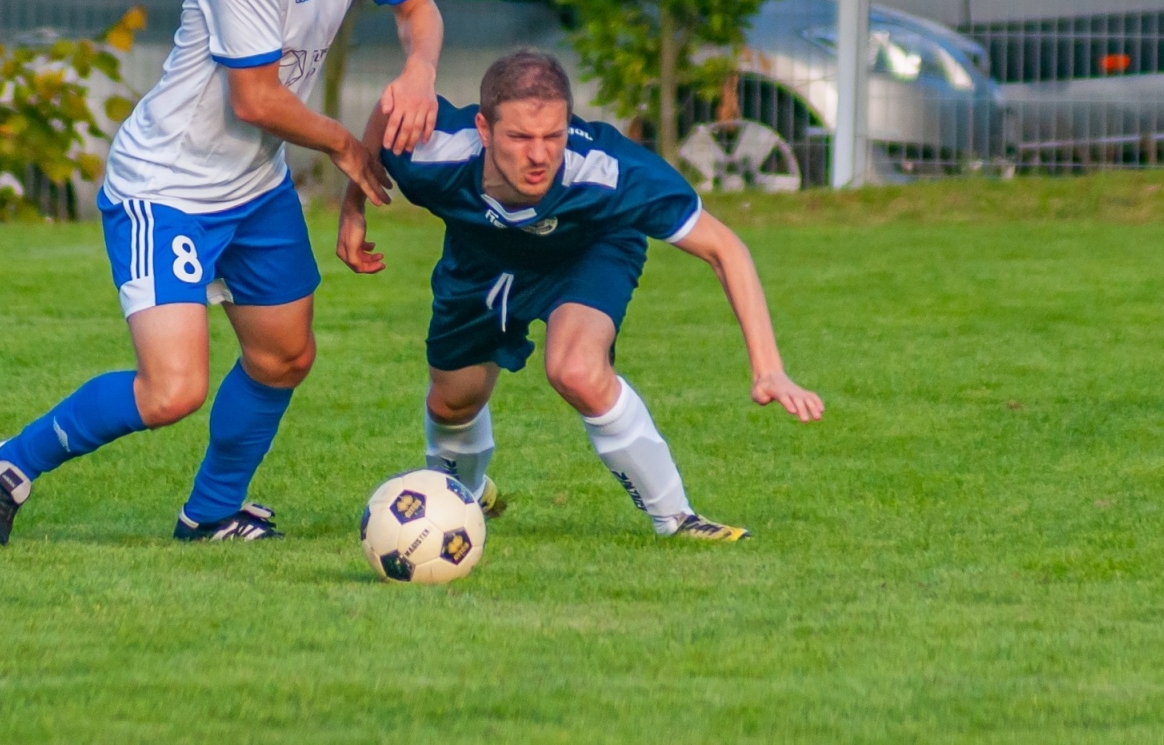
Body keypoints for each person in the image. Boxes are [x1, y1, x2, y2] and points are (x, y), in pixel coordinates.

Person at [0, 0, 442, 545]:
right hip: (167, 183)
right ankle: (7, 465)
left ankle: (211, 511)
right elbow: (252, 97)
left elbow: (418, 10)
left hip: (252, 186)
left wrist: (422, 69)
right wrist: (346, 149)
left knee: (285, 356)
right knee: (171, 389)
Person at [336, 50, 823, 540]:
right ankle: (463, 498)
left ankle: (677, 519)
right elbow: (389, 107)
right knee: (452, 401)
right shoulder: (433, 151)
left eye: (553, 136)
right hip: (481, 260)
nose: (539, 154)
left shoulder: (612, 172)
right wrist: (353, 206)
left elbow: (725, 249)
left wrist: (769, 369)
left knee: (576, 370)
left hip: (590, 250)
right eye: (520, 137)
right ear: (483, 130)